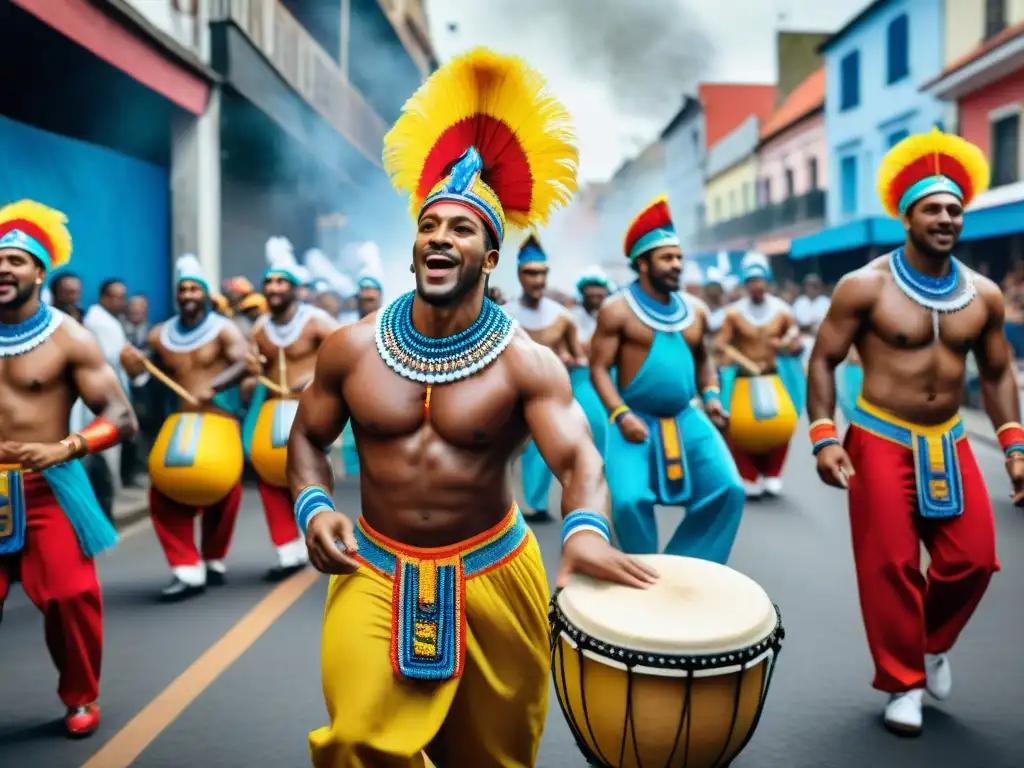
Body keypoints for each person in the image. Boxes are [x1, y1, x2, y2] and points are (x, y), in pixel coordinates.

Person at [288, 48, 657, 768]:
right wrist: (313, 506)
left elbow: (578, 457)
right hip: (374, 568)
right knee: (356, 743)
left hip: (494, 573)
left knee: (493, 762)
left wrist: (583, 529)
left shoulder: (528, 362)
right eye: (430, 226)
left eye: (461, 230)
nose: (439, 238)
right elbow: (307, 438)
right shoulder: (350, 349)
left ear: (490, 258)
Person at [807, 129, 1015, 735]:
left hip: (948, 440)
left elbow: (998, 373)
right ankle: (903, 683)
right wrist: (824, 436)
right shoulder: (864, 286)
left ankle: (929, 645)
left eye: (954, 209)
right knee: (890, 565)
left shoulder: (985, 295)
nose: (947, 218)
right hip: (877, 435)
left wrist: (1014, 447)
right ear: (907, 216)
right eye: (934, 208)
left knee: (973, 559)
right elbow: (822, 359)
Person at [0, 200, 138, 737]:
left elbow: (122, 417)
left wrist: (68, 447)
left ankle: (80, 696)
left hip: (47, 487)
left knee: (70, 595)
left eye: (15, 260)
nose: (3, 269)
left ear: (39, 271)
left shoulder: (69, 338)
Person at [590, 196, 744, 564]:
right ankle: (645, 571)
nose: (677, 265)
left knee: (729, 489)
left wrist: (711, 396)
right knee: (628, 502)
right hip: (633, 418)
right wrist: (620, 414)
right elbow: (598, 368)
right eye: (667, 258)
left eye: (679, 257)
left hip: (686, 416)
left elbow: (704, 360)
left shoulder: (697, 312)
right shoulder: (617, 311)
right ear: (642, 264)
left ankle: (682, 567)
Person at [120, 255, 250, 601]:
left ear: (205, 294)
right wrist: (134, 368)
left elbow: (244, 361)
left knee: (224, 490)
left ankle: (214, 560)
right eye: (183, 289)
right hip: (179, 420)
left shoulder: (225, 329)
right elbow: (146, 378)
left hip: (219, 419)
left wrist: (215, 386)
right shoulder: (160, 334)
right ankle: (185, 567)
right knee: (163, 493)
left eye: (194, 288)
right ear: (176, 295)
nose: (189, 294)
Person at [242, 239, 339, 581]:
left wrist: (315, 376)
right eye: (269, 282)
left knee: (307, 474)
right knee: (270, 478)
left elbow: (344, 354)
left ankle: (317, 534)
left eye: (281, 281)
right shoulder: (258, 330)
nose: (274, 288)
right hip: (272, 413)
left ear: (295, 288)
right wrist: (252, 375)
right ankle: (287, 551)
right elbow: (250, 383)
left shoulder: (317, 322)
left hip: (308, 412)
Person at [504, 234, 587, 523]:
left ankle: (536, 505)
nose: (537, 280)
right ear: (519, 275)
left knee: (544, 449)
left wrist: (570, 361)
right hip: (510, 397)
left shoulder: (562, 319)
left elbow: (580, 357)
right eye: (530, 273)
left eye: (541, 273)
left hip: (548, 398)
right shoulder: (504, 315)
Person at [715, 253, 805, 497]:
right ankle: (748, 474)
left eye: (760, 279)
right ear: (746, 284)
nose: (756, 285)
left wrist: (789, 343)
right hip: (743, 378)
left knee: (782, 424)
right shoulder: (733, 314)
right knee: (739, 427)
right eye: (751, 280)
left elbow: (795, 344)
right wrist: (734, 356)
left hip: (774, 376)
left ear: (768, 281)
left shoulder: (782, 311)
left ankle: (773, 473)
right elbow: (720, 344)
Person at [568, 266, 616, 451]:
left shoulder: (612, 315)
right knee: (594, 423)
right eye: (591, 288)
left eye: (599, 288)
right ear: (582, 292)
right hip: (583, 378)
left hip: (612, 376)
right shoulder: (572, 318)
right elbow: (579, 350)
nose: (595, 293)